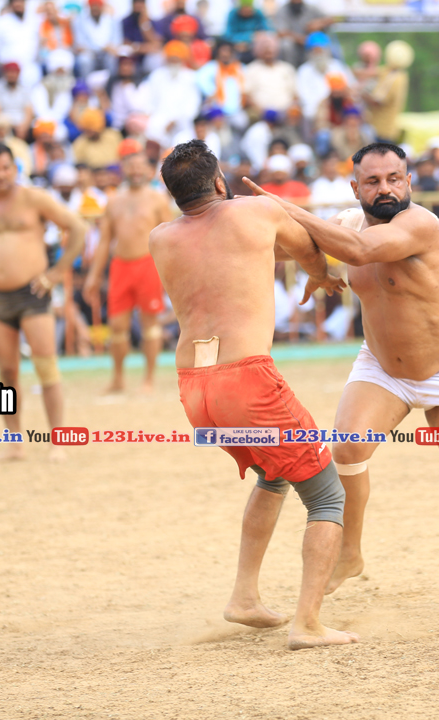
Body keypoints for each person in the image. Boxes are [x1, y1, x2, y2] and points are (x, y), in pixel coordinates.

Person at [245, 142, 439, 608]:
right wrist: (290, 250)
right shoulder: (345, 223)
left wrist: (282, 206)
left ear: (408, 181)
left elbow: (359, 252)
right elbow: (297, 244)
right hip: (382, 365)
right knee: (347, 447)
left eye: (394, 179)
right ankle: (350, 554)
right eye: (373, 181)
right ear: (355, 187)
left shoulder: (421, 224)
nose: (385, 189)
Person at [149, 139, 354, 650]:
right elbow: (305, 245)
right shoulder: (257, 212)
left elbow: (230, 249)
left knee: (273, 472)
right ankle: (308, 623)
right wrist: (320, 276)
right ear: (220, 182)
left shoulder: (161, 239)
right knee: (328, 496)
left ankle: (244, 597)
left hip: (195, 390)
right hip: (246, 379)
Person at [0, 144, 87, 462]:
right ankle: (14, 443)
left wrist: (56, 273)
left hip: (33, 293)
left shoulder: (34, 198)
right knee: (7, 372)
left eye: (5, 168)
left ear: (14, 169)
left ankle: (58, 442)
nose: (0, 175)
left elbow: (77, 228)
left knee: (46, 365)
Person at [84, 151, 172, 393]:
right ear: (123, 169)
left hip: (147, 264)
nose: (135, 171)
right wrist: (94, 275)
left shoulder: (157, 199)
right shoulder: (113, 201)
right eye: (131, 166)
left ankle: (149, 379)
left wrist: (169, 270)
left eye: (139, 166)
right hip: (120, 266)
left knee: (150, 324)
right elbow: (104, 241)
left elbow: (168, 236)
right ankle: (118, 379)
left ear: (148, 170)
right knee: (117, 326)